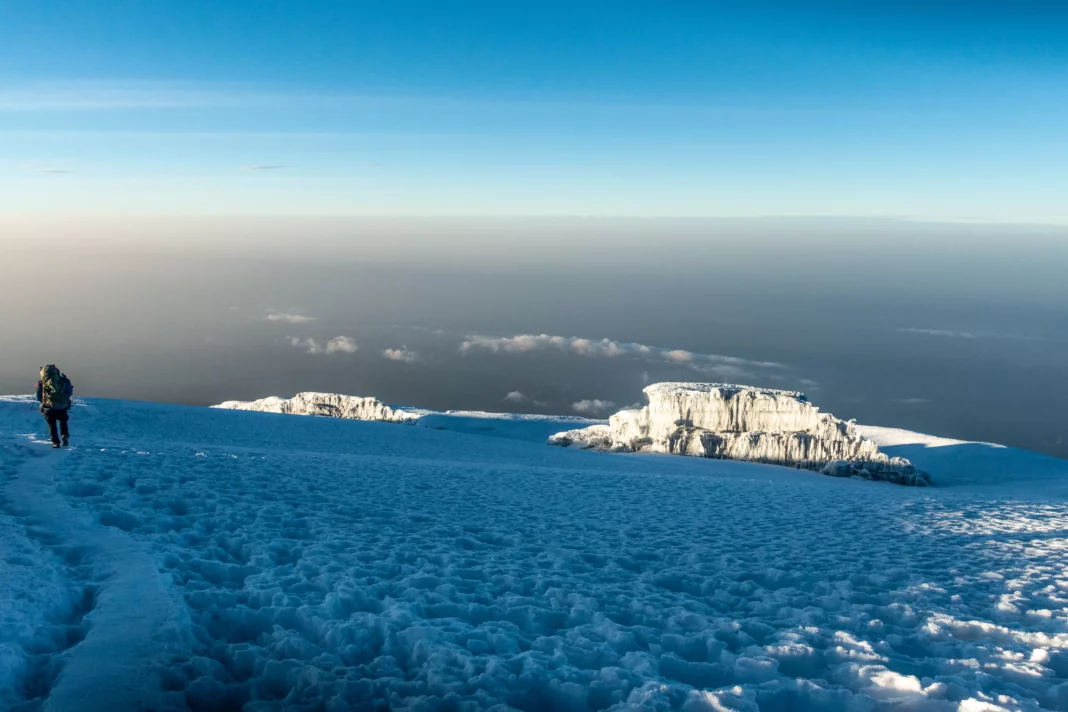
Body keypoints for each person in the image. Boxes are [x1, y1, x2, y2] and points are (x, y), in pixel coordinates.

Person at [35, 365, 74, 448]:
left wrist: (43, 402)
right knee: (63, 421)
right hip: (62, 406)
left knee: (52, 425)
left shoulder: (42, 382)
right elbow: (69, 392)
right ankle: (64, 435)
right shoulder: (62, 380)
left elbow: (38, 396)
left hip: (48, 407)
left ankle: (55, 442)